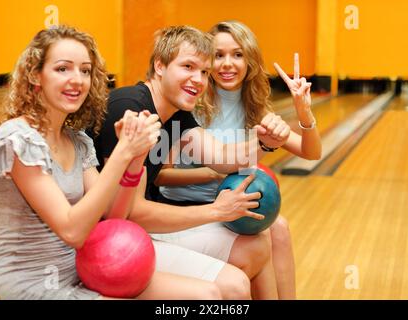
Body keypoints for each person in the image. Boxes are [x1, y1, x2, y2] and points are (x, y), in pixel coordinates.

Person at [0, 25, 247, 300]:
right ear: (36, 75)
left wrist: (135, 159)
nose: (77, 79)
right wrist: (122, 154)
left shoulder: (77, 141)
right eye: (62, 69)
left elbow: (115, 217)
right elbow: (71, 230)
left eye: (84, 70)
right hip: (32, 281)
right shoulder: (18, 138)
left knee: (209, 295)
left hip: (85, 267)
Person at [93, 25, 291, 299]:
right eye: (188, 66)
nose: (198, 79)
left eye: (204, 72)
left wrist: (264, 142)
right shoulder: (131, 108)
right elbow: (131, 212)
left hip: (138, 230)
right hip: (111, 242)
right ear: (159, 66)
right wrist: (216, 211)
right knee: (234, 287)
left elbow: (221, 158)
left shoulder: (177, 112)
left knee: (256, 247)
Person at [156, 21, 322, 299]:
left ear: (250, 59)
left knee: (279, 227)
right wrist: (215, 175)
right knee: (266, 233)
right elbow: (161, 176)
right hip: (187, 207)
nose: (226, 64)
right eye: (218, 55)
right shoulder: (191, 103)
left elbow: (311, 152)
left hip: (234, 210)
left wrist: (303, 111)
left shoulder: (254, 109)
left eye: (237, 54)